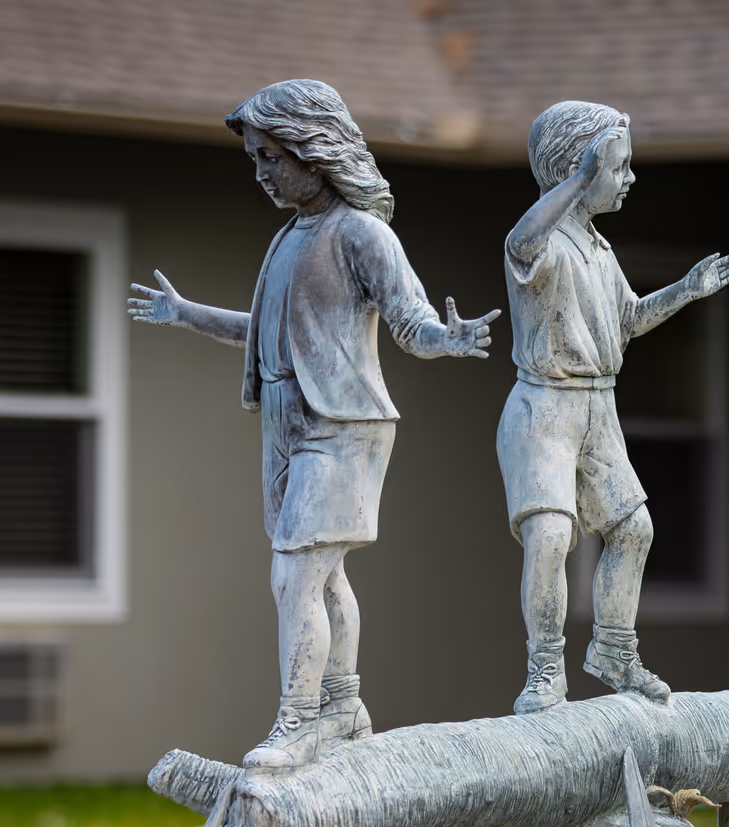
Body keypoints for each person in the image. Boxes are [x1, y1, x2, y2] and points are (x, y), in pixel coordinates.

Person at [128, 79, 498, 769]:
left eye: (271, 157)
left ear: (315, 151)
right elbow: (265, 330)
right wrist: (184, 314)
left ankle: (298, 720)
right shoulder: (287, 239)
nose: (262, 173)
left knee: (294, 574)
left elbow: (410, 319)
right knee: (321, 576)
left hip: (343, 425)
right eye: (254, 159)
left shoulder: (361, 232)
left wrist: (447, 339)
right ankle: (344, 707)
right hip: (285, 421)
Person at [497, 100, 729, 715]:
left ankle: (613, 651)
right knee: (551, 536)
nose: (630, 178)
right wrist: (580, 179)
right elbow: (520, 242)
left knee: (634, 528)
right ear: (577, 169)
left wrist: (687, 290)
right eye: (618, 166)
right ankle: (544, 669)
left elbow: (628, 319)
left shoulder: (600, 248)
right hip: (545, 409)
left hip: (597, 408)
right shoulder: (546, 241)